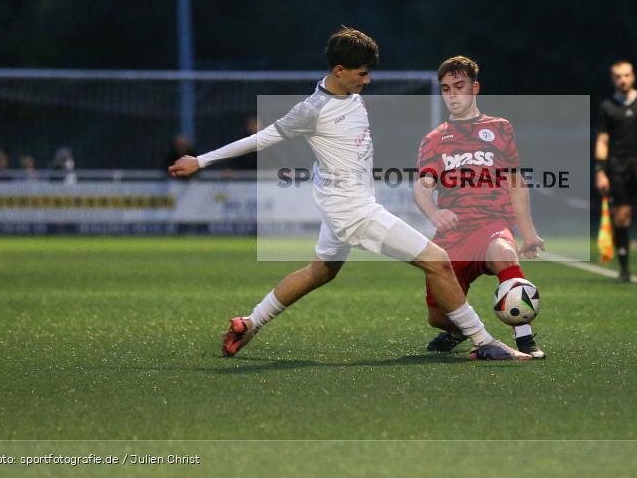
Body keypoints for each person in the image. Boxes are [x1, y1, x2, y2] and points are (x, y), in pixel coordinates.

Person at [168, 27, 530, 361]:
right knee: (438, 261)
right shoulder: (313, 109)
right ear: (339, 70)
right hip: (354, 212)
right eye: (361, 73)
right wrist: (201, 160)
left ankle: (248, 323)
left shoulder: (344, 91)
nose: (367, 80)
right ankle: (484, 343)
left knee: (320, 271)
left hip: (345, 208)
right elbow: (261, 139)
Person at [414, 55, 546, 359]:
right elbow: (422, 187)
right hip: (453, 237)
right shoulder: (433, 140)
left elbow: (516, 183)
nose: (452, 95)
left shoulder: (500, 128)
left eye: (459, 86)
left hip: (490, 225)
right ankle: (459, 329)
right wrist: (434, 213)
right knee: (437, 317)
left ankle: (524, 336)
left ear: (475, 88)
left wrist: (528, 234)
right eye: (446, 89)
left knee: (503, 251)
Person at [594, 60, 637, 283]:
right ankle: (624, 268)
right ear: (612, 79)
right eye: (618, 76)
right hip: (618, 167)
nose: (622, 80)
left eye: (626, 75)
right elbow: (603, 139)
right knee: (622, 217)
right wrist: (600, 171)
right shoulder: (607, 107)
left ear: (633, 76)